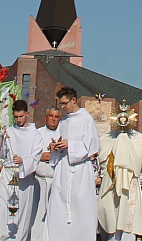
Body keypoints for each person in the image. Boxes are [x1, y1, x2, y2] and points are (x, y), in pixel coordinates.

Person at [42, 86, 100, 241]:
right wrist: (55, 146)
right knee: (58, 204)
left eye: (65, 103)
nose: (63, 107)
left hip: (80, 168)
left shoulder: (86, 119)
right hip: (63, 167)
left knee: (80, 205)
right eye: (61, 104)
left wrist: (71, 145)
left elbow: (93, 146)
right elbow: (61, 140)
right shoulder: (64, 121)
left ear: (74, 100)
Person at [0, 99, 45, 241]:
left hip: (23, 178)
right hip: (7, 175)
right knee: (0, 210)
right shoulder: (9, 131)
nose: (18, 120)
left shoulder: (35, 134)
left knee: (21, 212)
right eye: (16, 117)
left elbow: (36, 156)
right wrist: (0, 135)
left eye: (21, 116)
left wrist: (23, 160)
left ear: (27, 114)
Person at [97, 103, 142, 241]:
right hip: (112, 181)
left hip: (130, 182)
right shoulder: (108, 137)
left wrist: (124, 146)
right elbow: (103, 156)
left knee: (128, 221)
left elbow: (139, 157)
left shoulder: (137, 138)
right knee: (112, 220)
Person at [32, 108, 61, 241]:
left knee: (55, 216)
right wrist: (40, 157)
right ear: (46, 117)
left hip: (57, 181)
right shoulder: (37, 133)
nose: (53, 119)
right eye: (51, 116)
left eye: (56, 117)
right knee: (38, 215)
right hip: (39, 180)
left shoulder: (63, 135)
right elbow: (28, 155)